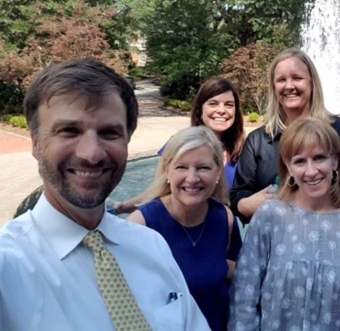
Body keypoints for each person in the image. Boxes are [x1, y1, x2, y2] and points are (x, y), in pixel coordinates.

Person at [0, 58, 209, 330]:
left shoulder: (152, 246)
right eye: (69, 131)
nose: (91, 153)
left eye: (109, 132)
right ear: (36, 143)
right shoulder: (9, 267)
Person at [229, 117, 340, 330]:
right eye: (300, 161)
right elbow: (245, 295)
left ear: (335, 161)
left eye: (319, 158)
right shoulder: (270, 216)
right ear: (288, 166)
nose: (311, 171)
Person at [230, 47, 340, 237]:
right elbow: (238, 194)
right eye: (281, 80)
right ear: (273, 87)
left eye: (297, 78)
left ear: (312, 83)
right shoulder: (258, 141)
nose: (289, 86)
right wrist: (246, 205)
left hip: (337, 240)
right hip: (277, 242)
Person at [128, 126, 242, 331]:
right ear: (167, 172)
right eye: (181, 167)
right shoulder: (141, 225)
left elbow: (236, 272)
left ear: (218, 172)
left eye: (203, 168)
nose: (192, 178)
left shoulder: (225, 218)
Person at [116, 77, 245, 214]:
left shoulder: (245, 151)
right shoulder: (178, 145)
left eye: (229, 105)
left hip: (223, 229)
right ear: (200, 110)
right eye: (213, 104)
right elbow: (158, 192)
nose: (221, 110)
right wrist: (122, 207)